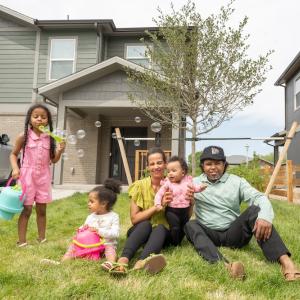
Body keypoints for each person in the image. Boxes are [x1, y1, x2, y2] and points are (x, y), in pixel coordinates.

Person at [184, 145, 300, 281]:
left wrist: (265, 217)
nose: (213, 167)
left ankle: (286, 262)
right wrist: (190, 202)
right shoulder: (193, 183)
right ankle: (225, 266)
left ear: (224, 165)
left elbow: (260, 197)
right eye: (208, 164)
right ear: (202, 166)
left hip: (234, 234)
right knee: (190, 225)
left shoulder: (237, 182)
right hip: (209, 234)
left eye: (218, 163)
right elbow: (184, 210)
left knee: (255, 211)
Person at [106, 147, 175, 276]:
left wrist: (190, 203)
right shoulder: (139, 185)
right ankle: (123, 260)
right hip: (140, 233)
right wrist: (156, 206)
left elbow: (182, 217)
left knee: (160, 228)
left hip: (161, 236)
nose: (156, 167)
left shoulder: (173, 185)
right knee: (145, 224)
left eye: (159, 162)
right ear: (148, 167)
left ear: (165, 164)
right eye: (152, 164)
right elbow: (135, 219)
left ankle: (141, 262)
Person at [10, 104, 65, 247]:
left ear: (48, 120)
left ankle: (42, 239)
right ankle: (21, 241)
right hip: (27, 176)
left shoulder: (51, 138)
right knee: (27, 209)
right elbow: (13, 154)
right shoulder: (24, 136)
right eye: (36, 116)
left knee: (42, 209)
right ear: (29, 119)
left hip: (44, 176)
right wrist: (16, 168)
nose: (39, 119)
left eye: (43, 117)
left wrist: (59, 151)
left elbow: (53, 160)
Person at [62, 179, 120, 267]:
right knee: (72, 247)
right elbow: (85, 229)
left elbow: (115, 234)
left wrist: (99, 231)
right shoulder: (91, 216)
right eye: (89, 201)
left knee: (110, 249)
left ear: (103, 203)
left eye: (92, 201)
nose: (88, 204)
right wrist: (81, 229)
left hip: (106, 244)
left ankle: (110, 263)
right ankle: (63, 262)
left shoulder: (113, 216)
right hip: (91, 245)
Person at [154, 156, 206, 245]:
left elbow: (195, 189)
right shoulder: (168, 184)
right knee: (175, 228)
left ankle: (178, 241)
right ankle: (175, 243)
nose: (170, 173)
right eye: (168, 171)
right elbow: (159, 194)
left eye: (174, 171)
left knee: (183, 227)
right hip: (172, 211)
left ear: (183, 172)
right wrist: (158, 204)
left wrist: (201, 187)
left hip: (185, 211)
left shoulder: (187, 182)